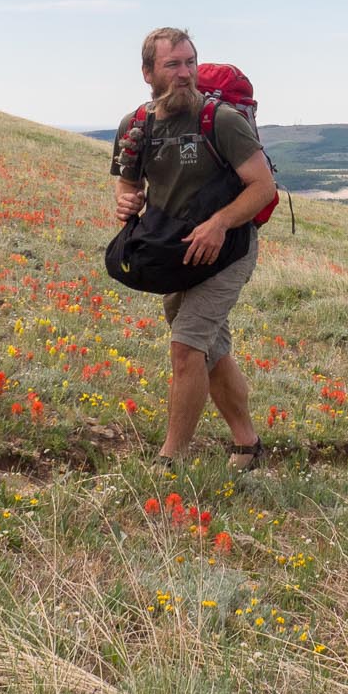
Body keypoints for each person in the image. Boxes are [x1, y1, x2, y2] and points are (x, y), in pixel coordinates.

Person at [112, 26, 277, 470]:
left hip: (228, 250)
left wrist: (219, 224)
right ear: (148, 73)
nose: (185, 73)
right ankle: (248, 445)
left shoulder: (222, 120)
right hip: (176, 253)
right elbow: (127, 183)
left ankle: (170, 461)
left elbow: (263, 188)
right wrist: (126, 199)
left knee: (186, 348)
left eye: (190, 63)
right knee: (211, 349)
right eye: (173, 65)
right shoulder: (136, 126)